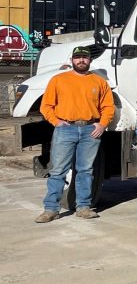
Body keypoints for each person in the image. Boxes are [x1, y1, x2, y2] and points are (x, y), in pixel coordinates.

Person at [35, 46, 115, 223]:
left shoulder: (99, 82)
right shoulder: (58, 80)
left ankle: (83, 207)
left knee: (85, 171)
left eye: (84, 58)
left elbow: (108, 106)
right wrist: (56, 122)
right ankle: (51, 209)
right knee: (58, 171)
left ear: (90, 61)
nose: (81, 60)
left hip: (90, 130)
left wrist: (102, 124)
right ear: (72, 60)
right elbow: (46, 105)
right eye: (77, 57)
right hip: (65, 129)